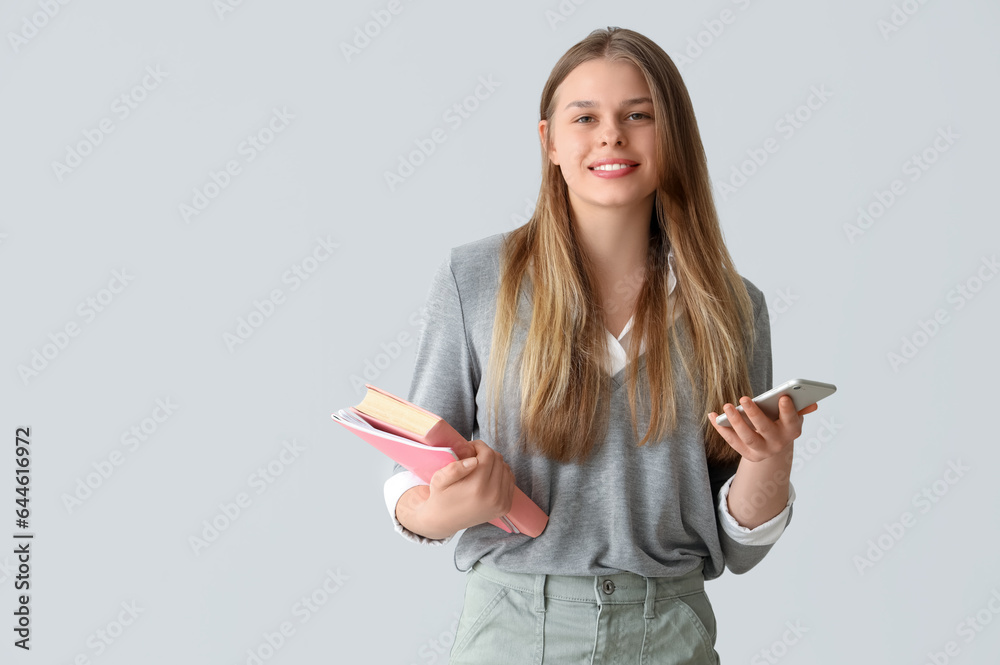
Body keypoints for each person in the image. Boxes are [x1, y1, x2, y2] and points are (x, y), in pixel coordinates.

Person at [382, 26, 818, 664]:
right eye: (585, 116)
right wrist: (442, 508)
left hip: (668, 630)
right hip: (514, 627)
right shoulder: (475, 279)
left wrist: (769, 464)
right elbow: (410, 475)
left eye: (639, 115)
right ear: (549, 142)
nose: (612, 134)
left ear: (673, 136)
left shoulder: (732, 306)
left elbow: (740, 546)